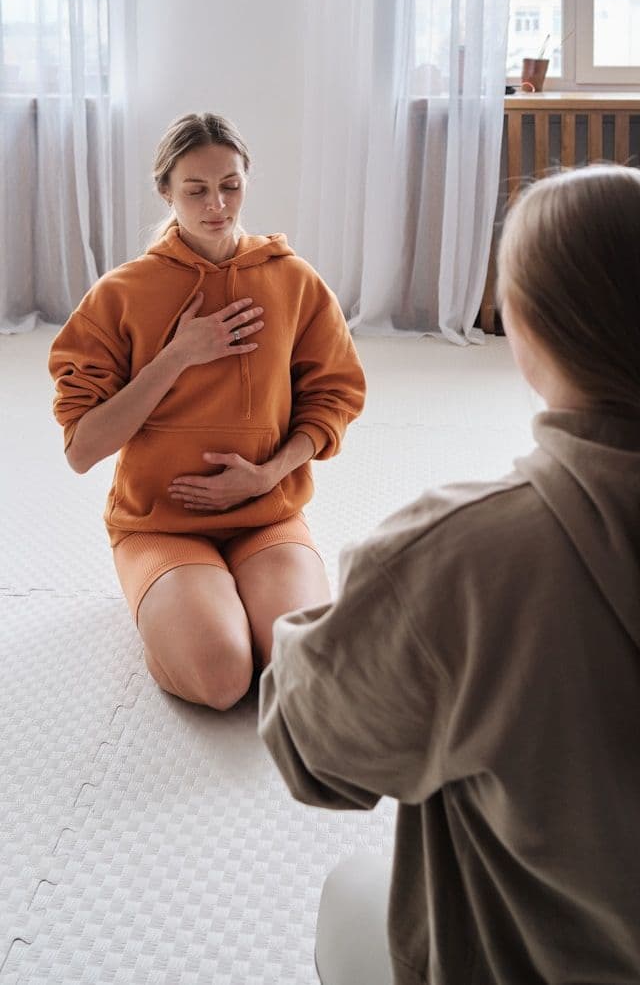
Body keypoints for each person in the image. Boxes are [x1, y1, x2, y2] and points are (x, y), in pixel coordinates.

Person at [259, 164, 640, 984]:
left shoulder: (459, 557)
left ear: (524, 327)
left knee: (354, 891)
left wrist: (369, 595)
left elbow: (307, 746)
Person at [49, 112, 365, 710]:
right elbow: (82, 450)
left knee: (307, 667)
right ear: (165, 191)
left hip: (265, 513)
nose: (217, 205)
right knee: (222, 681)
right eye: (196, 190)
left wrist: (267, 475)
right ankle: (179, 608)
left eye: (230, 185)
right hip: (159, 523)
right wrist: (177, 356)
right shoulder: (120, 294)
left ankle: (227, 599)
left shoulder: (294, 281)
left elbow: (335, 397)